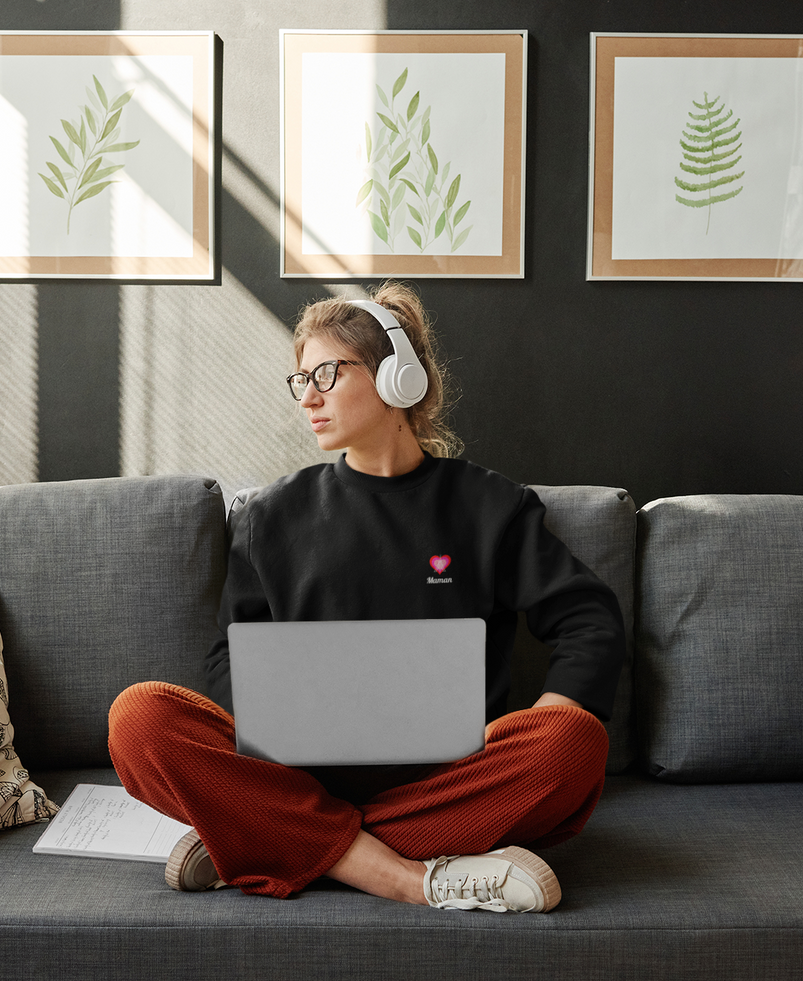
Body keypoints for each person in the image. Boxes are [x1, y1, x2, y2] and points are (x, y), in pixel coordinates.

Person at [108, 282, 625, 913]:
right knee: (139, 717)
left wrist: (536, 720)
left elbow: (589, 621)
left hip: (450, 782)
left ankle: (262, 841)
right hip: (295, 779)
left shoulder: (491, 507)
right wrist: (271, 743)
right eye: (300, 381)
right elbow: (226, 656)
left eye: (326, 372)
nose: (309, 397)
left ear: (396, 377)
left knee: (574, 742)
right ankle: (410, 877)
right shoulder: (270, 516)